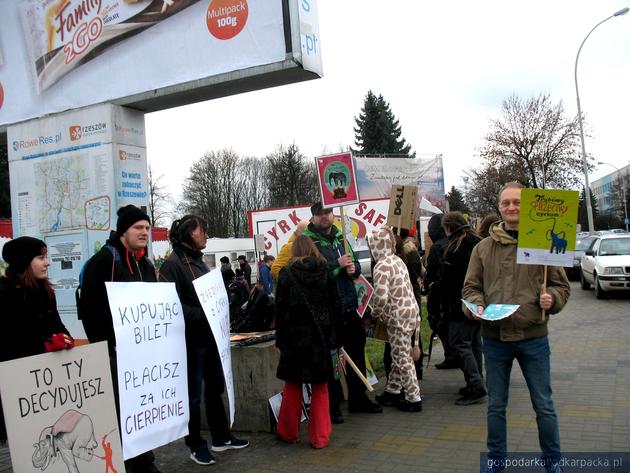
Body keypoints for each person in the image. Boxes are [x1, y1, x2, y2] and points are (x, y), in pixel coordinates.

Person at [463, 182, 570, 473]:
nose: (511, 207)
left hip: (533, 338)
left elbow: (562, 286)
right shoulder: (483, 249)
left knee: (544, 406)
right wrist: (475, 305)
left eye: (517, 202)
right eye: (506, 203)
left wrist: (554, 298)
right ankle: (496, 462)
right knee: (496, 406)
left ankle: (553, 463)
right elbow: (471, 288)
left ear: (527, 206)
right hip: (495, 340)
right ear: (499, 208)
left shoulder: (541, 245)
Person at [158, 215, 248, 465]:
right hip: (190, 342)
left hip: (209, 338)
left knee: (215, 386)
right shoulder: (172, 265)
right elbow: (171, 307)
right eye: (202, 230)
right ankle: (195, 444)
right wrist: (203, 314)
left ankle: (221, 437)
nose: (206, 234)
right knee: (193, 395)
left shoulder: (199, 262)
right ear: (188, 235)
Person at [80, 205, 160, 473]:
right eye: (138, 227)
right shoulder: (103, 262)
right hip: (116, 356)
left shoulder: (145, 263)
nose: (144, 232)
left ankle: (144, 460)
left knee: (140, 411)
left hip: (141, 356)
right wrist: (109, 350)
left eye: (147, 228)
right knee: (120, 414)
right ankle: (129, 464)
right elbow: (90, 312)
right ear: (123, 230)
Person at [303, 202, 381, 424]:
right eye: (320, 214)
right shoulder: (309, 242)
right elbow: (312, 273)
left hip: (349, 305)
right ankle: (333, 404)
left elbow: (354, 262)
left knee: (356, 351)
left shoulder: (341, 238)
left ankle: (358, 398)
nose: (324, 217)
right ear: (314, 217)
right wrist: (336, 266)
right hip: (327, 309)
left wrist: (354, 268)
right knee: (333, 358)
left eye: (327, 212)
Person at [0, 236, 75, 442]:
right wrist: (45, 344)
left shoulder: (45, 291)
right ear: (25, 261)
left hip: (48, 381)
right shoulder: (5, 293)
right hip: (21, 385)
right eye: (41, 257)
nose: (47, 262)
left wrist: (67, 338)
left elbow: (57, 324)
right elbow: (8, 341)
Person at [274, 235, 341, 448]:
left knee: (292, 387)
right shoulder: (325, 272)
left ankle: (288, 432)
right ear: (314, 250)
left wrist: (281, 341)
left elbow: (280, 310)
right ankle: (320, 438)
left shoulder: (286, 274)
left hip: (294, 340)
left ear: (294, 251)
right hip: (321, 339)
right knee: (321, 388)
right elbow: (335, 308)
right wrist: (336, 340)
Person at [368, 227, 422, 412]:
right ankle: (392, 390)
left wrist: (374, 314)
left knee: (402, 358)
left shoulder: (381, 265)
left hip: (397, 318)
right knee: (399, 355)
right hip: (411, 313)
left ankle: (413, 398)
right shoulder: (397, 260)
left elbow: (381, 297)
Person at [440, 212, 485, 405]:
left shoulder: (454, 248)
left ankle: (476, 385)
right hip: (479, 301)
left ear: (449, 227)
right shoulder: (479, 242)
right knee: (474, 342)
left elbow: (448, 279)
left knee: (460, 344)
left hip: (459, 303)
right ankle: (477, 380)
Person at [424, 214, 458, 369]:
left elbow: (431, 270)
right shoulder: (455, 242)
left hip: (440, 293)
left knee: (441, 324)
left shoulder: (437, 247)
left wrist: (429, 286)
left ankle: (451, 355)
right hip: (455, 292)